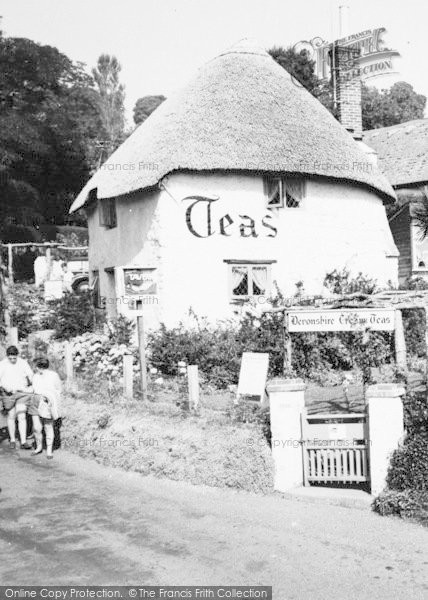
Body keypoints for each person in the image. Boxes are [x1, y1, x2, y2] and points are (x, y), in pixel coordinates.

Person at [0, 346, 34, 449]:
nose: (12, 360)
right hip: (8, 393)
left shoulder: (23, 363)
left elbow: (30, 375)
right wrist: (5, 387)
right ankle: (13, 439)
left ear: (17, 356)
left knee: (22, 415)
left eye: (14, 358)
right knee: (11, 416)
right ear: (7, 357)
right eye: (10, 358)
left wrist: (31, 385)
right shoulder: (2, 364)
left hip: (21, 393)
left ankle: (23, 441)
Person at [31, 357, 62, 459]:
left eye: (37, 367)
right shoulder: (35, 376)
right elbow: (34, 388)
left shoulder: (53, 376)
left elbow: (59, 389)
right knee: (37, 427)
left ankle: (49, 450)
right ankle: (39, 447)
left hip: (47, 401)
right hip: (36, 400)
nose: (36, 369)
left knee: (48, 426)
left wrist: (51, 400)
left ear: (39, 367)